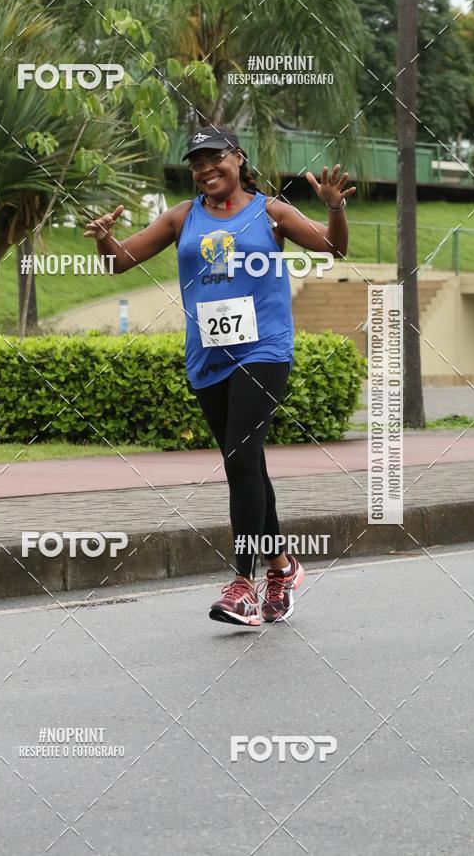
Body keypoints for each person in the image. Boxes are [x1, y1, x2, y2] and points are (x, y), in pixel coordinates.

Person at [84, 126, 356, 627]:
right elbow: (120, 262)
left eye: (214, 158)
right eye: (196, 162)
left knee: (240, 458)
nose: (205, 168)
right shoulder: (182, 217)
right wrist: (105, 239)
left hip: (264, 349)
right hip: (208, 355)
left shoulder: (270, 212)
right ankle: (282, 566)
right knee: (246, 462)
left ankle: (243, 585)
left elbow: (332, 248)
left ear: (238, 158)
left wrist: (335, 208)